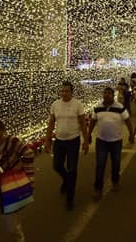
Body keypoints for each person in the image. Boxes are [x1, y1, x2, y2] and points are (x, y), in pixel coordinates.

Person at [44, 81, 89, 211]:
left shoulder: (77, 104)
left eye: (67, 91)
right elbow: (51, 123)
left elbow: (82, 123)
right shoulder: (55, 105)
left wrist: (85, 141)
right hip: (59, 140)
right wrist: (47, 140)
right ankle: (66, 180)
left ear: (71, 92)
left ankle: (70, 197)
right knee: (57, 166)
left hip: (73, 141)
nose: (64, 93)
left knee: (72, 169)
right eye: (62, 91)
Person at [88, 87, 134, 200]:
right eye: (105, 93)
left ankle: (115, 181)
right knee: (100, 165)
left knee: (116, 163)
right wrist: (88, 135)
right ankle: (98, 189)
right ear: (103, 94)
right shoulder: (97, 107)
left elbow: (128, 121)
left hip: (116, 141)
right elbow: (93, 122)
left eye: (109, 93)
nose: (107, 95)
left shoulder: (120, 107)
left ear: (113, 95)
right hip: (101, 141)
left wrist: (131, 135)